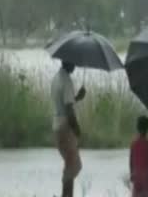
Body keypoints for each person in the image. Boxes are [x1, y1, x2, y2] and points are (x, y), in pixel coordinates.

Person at [51, 60, 86, 197]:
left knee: (72, 166)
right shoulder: (66, 81)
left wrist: (77, 97)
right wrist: (77, 129)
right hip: (65, 127)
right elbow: (69, 110)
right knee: (72, 166)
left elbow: (65, 103)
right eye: (73, 61)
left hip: (57, 126)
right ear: (68, 62)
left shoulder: (57, 78)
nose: (75, 65)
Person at [129, 115, 148, 197]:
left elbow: (131, 162)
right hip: (146, 177)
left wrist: (132, 174)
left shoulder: (133, 144)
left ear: (137, 128)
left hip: (136, 176)